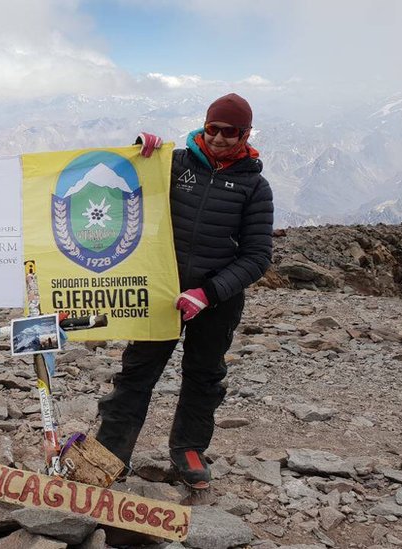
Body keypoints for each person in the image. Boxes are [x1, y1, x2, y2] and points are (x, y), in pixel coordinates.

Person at [94, 93, 274, 490]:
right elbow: (125, 187)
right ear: (203, 125)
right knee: (137, 373)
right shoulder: (174, 164)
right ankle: (109, 455)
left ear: (246, 134)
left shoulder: (254, 187)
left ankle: (189, 451)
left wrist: (207, 294)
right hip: (160, 291)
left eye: (232, 132)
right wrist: (140, 153)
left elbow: (258, 256)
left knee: (205, 375)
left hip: (216, 301)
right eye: (214, 129)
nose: (221, 138)